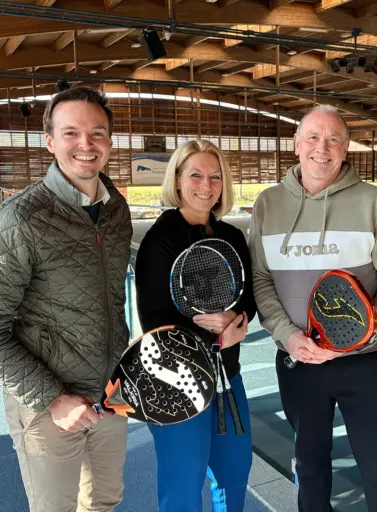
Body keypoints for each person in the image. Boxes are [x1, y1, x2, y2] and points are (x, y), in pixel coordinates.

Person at [0, 87, 133, 511]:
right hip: (48, 407)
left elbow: (112, 301)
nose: (85, 144)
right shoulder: (16, 219)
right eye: (71, 132)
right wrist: (52, 399)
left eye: (97, 133)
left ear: (109, 141)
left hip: (109, 396)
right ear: (50, 141)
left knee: (104, 502)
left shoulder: (116, 211)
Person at [249, 104, 377, 511]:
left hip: (364, 363)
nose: (321, 148)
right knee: (309, 468)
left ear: (345, 148)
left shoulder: (375, 202)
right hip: (298, 362)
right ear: (296, 144)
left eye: (333, 140)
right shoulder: (268, 204)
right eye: (313, 137)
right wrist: (288, 336)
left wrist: (356, 338)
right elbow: (261, 280)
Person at [135, 139, 256, 512]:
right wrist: (216, 335)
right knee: (183, 488)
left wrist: (238, 322)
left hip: (226, 379)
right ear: (177, 180)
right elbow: (155, 321)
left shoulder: (232, 237)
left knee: (234, 475)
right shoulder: (160, 241)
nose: (207, 185)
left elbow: (248, 299)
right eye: (196, 175)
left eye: (215, 177)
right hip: (177, 386)